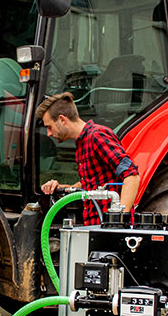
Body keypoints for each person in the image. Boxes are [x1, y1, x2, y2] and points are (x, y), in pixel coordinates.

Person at [37, 92, 140, 225]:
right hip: (97, 226)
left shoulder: (96, 136)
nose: (49, 133)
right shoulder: (82, 144)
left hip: (109, 227)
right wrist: (63, 188)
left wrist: (119, 221)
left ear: (62, 119)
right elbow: (92, 185)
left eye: (49, 127)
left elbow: (131, 175)